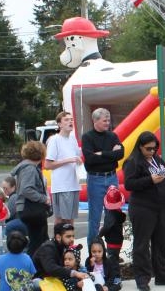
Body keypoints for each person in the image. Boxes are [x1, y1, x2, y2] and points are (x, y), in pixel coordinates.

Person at [122, 131, 165, 291]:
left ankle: (161, 275)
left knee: (161, 243)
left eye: (154, 148)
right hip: (143, 208)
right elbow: (129, 184)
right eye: (148, 149)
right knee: (142, 244)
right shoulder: (133, 162)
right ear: (140, 147)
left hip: (161, 207)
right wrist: (150, 180)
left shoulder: (158, 160)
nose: (152, 151)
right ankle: (142, 278)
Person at [81, 108, 124, 242]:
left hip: (112, 177)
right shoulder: (87, 137)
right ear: (95, 120)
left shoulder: (112, 136)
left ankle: (112, 251)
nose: (107, 123)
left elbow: (121, 154)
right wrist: (111, 154)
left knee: (113, 215)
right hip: (95, 179)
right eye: (104, 120)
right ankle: (93, 254)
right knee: (95, 217)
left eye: (108, 120)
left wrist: (102, 153)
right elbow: (90, 159)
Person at [12, 141, 51, 255]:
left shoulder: (27, 167)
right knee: (37, 242)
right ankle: (33, 268)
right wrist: (43, 198)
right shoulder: (30, 169)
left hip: (28, 209)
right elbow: (26, 189)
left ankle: (40, 266)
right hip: (32, 209)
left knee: (41, 239)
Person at [45, 111, 83, 230]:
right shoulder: (54, 140)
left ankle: (70, 244)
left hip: (74, 184)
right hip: (62, 185)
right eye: (66, 120)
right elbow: (48, 164)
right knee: (61, 219)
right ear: (59, 124)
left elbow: (78, 157)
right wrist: (68, 160)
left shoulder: (73, 139)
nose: (70, 122)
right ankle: (57, 243)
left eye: (71, 119)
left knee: (71, 218)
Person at [100, 186, 127, 264]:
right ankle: (116, 269)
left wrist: (99, 235)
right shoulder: (120, 213)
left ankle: (115, 275)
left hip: (111, 243)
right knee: (115, 257)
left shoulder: (110, 215)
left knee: (112, 261)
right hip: (119, 241)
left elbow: (106, 227)